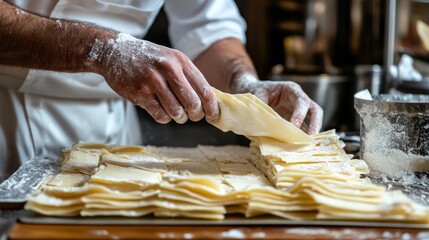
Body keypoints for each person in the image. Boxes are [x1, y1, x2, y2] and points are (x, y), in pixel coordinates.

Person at [0, 0, 323, 178]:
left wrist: (243, 83)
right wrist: (101, 50)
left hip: (112, 133)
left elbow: (206, 27)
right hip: (6, 117)